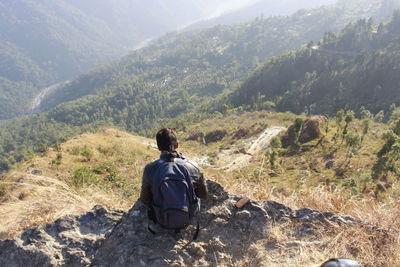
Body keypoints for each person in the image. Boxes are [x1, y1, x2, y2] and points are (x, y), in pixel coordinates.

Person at [140, 128, 208, 232]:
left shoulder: (150, 168)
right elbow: (202, 194)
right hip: (187, 217)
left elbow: (145, 200)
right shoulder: (192, 166)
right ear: (177, 145)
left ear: (158, 147)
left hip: (161, 219)